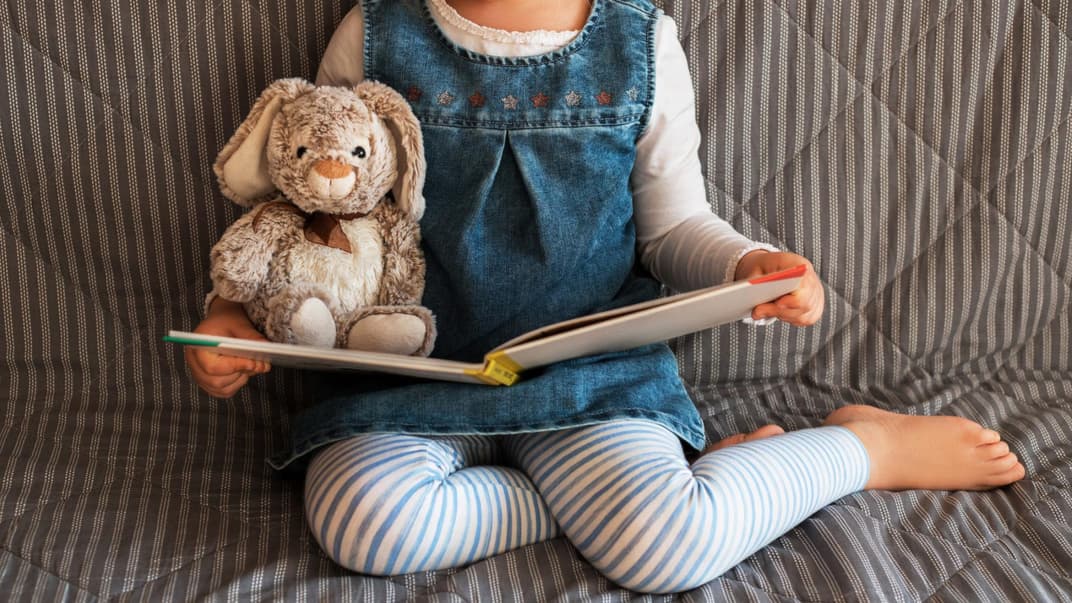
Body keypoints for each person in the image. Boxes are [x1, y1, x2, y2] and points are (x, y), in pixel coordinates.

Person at [186, 0, 1025, 593]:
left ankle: (859, 450)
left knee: (671, 545)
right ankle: (633, 499)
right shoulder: (372, 37)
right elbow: (309, 216)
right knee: (365, 527)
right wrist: (238, 317)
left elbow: (674, 229)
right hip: (407, 378)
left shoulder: (640, 42)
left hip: (589, 380)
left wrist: (747, 264)